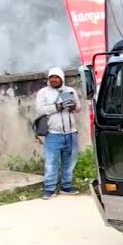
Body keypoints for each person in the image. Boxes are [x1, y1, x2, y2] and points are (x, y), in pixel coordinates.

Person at [34, 66, 82, 199]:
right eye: (52, 77)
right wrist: (58, 107)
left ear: (62, 78)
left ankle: (66, 186)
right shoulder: (43, 93)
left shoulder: (70, 90)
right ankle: (49, 188)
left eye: (57, 77)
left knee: (69, 161)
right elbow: (40, 110)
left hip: (71, 133)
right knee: (51, 162)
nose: (54, 80)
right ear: (48, 79)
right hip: (53, 133)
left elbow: (79, 107)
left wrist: (72, 106)